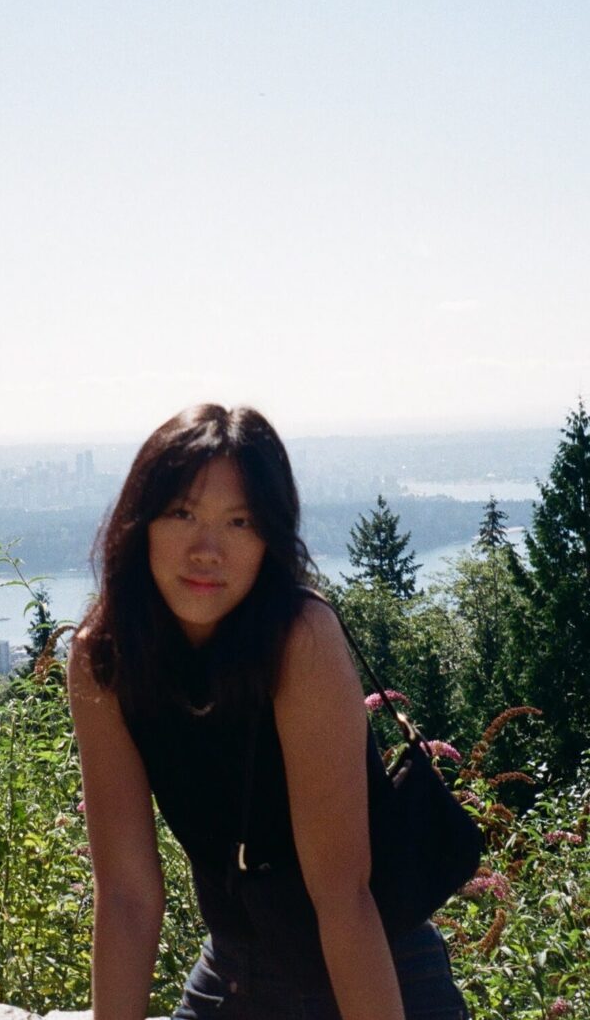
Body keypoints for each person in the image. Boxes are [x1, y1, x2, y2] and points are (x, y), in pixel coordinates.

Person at [67, 404, 470, 1020]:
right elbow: (126, 896)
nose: (207, 550)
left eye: (240, 522)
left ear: (269, 540)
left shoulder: (297, 640)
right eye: (182, 514)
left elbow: (343, 897)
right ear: (139, 523)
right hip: (234, 973)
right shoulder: (105, 657)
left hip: (375, 969)